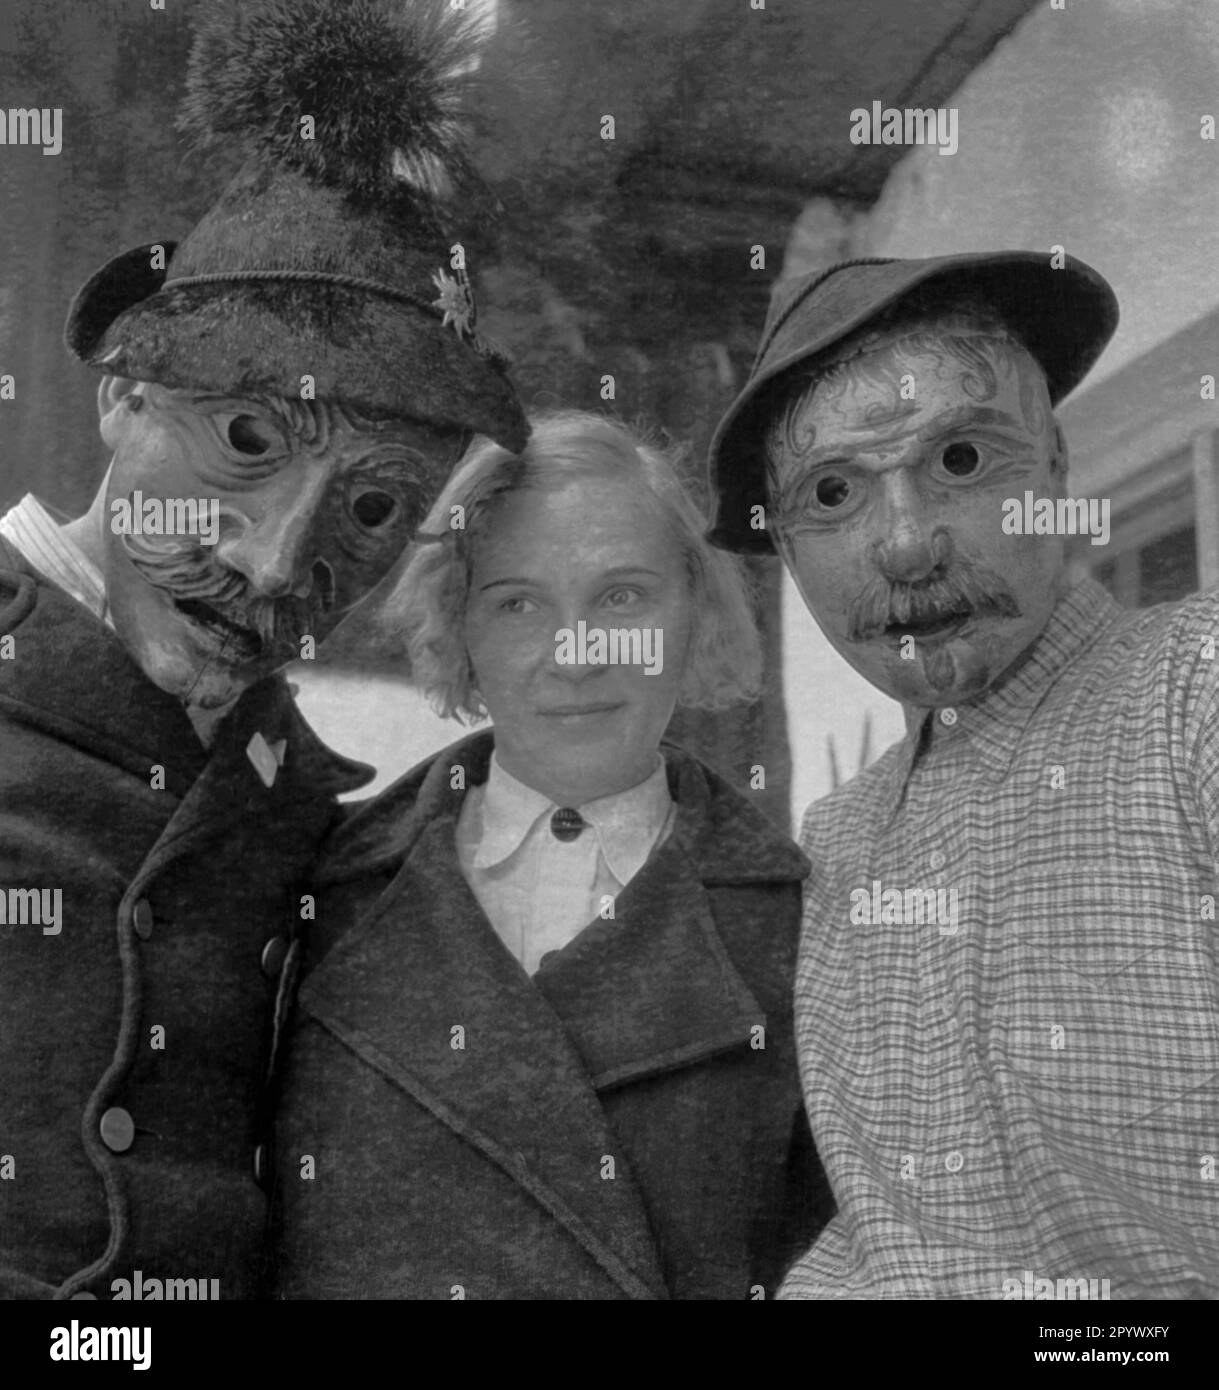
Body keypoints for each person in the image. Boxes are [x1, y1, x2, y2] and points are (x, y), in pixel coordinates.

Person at [0, 0, 526, 1300]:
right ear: (124, 389)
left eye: (369, 506)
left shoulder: (315, 812)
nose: (279, 566)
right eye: (244, 441)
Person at [706, 251, 1219, 1299]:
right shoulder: (846, 838)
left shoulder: (1193, 701)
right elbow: (883, 1237)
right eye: (835, 490)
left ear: (1057, 470)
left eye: (962, 458)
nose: (903, 544)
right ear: (788, 550)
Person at [271, 411, 833, 1299]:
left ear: (695, 611)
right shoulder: (314, 890)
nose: (573, 654)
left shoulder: (809, 929)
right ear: (460, 628)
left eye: (620, 597)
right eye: (519, 603)